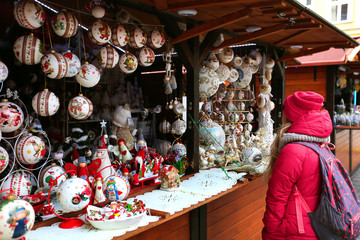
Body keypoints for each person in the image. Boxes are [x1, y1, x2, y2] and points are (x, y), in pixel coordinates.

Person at [262, 91, 332, 239]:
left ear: (291, 116)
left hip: (294, 230)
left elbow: (277, 196)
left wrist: (272, 230)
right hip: (316, 226)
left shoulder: (292, 151)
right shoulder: (321, 144)